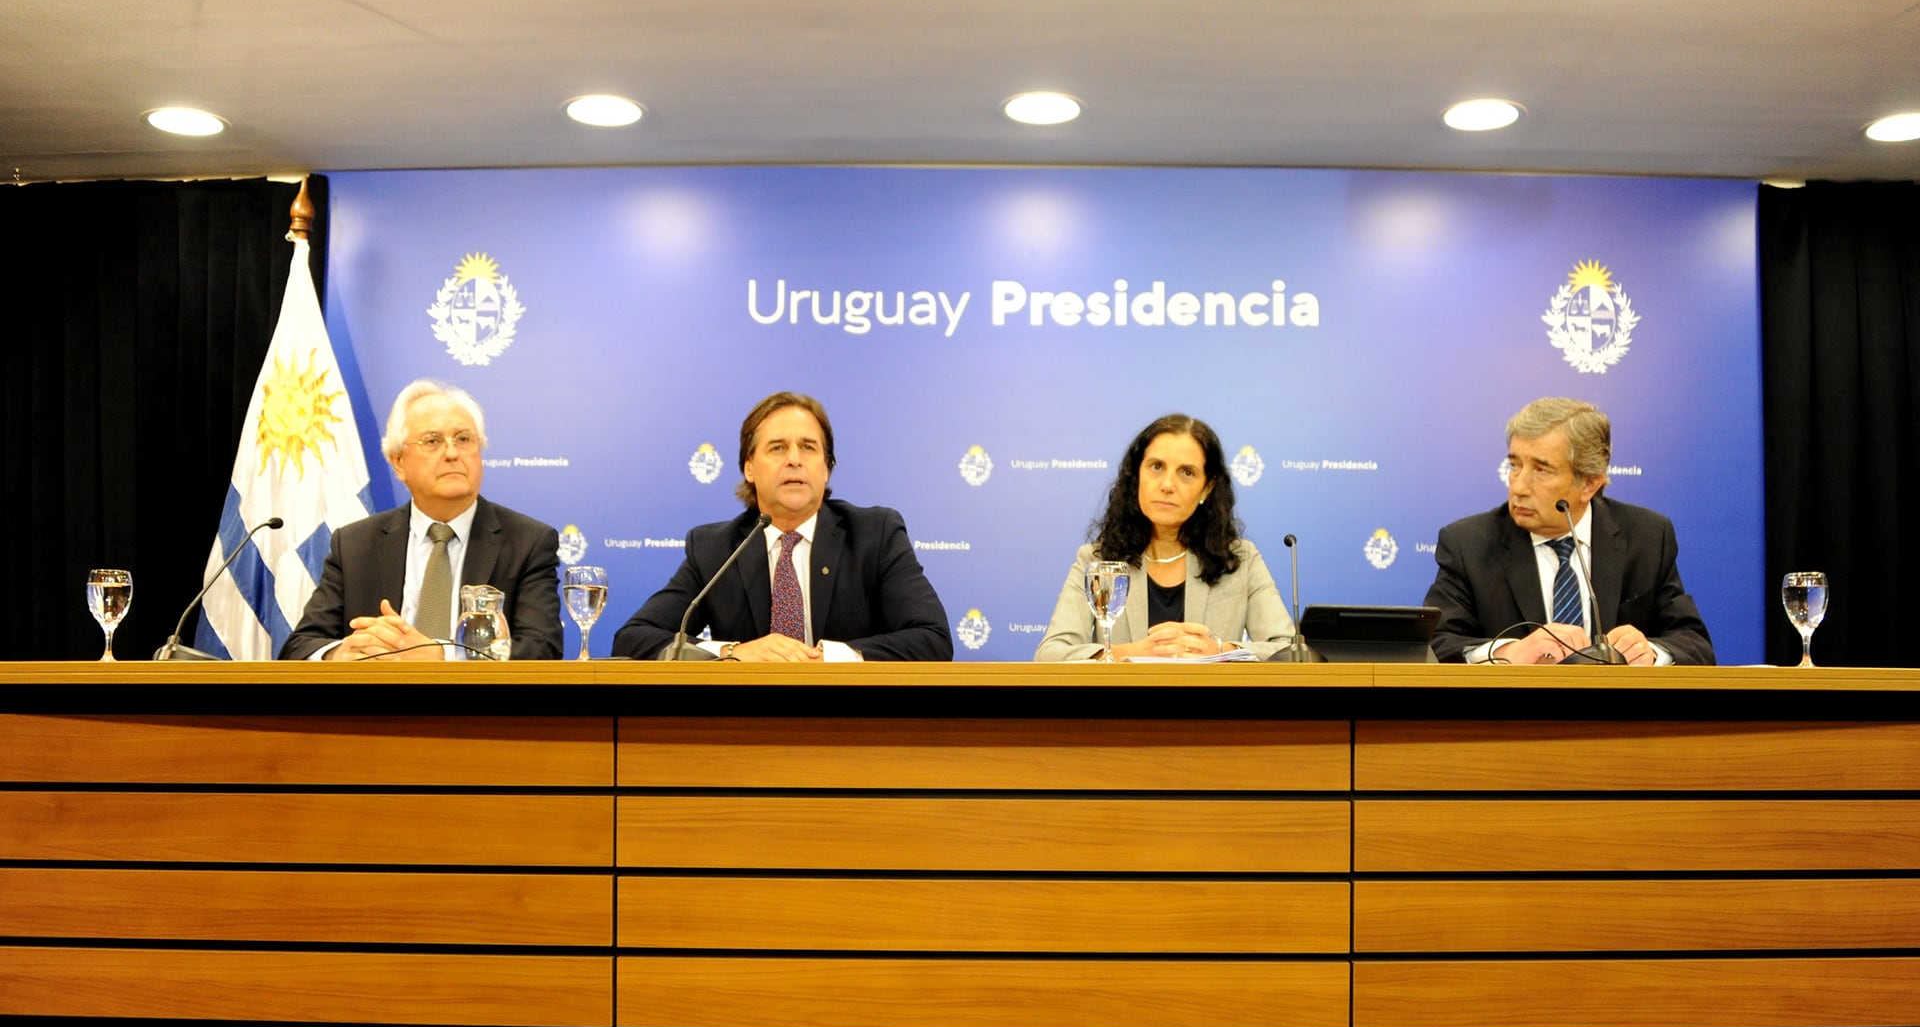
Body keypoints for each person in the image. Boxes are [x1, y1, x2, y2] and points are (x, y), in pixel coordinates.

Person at [610, 391, 952, 661]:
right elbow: (635, 638)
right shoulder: (716, 548)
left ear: (826, 469)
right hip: (746, 729)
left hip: (853, 725)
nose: (794, 459)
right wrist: (733, 652)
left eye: (808, 447)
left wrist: (829, 658)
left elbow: (932, 639)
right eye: (777, 448)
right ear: (749, 468)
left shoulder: (874, 535)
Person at [280, 379, 563, 661]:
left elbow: (542, 649)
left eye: (463, 439)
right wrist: (341, 653)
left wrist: (442, 655)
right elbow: (300, 646)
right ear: (399, 462)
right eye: (433, 441)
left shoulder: (527, 542)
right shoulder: (355, 544)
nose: (452, 453)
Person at [1423, 396, 1714, 665]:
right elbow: (1434, 645)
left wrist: (1648, 652)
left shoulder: (1647, 536)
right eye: (1515, 465)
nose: (1519, 486)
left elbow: (1694, 644)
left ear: (1589, 484)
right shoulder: (1468, 544)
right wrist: (1508, 652)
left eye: (1541, 470)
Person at [1035, 414, 1295, 661]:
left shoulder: (1239, 560)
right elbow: (1051, 654)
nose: (1167, 485)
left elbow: (1289, 652)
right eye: (1156, 467)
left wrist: (1218, 650)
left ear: (1207, 487)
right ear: (1137, 475)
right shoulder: (1097, 560)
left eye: (1187, 472)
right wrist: (1132, 653)